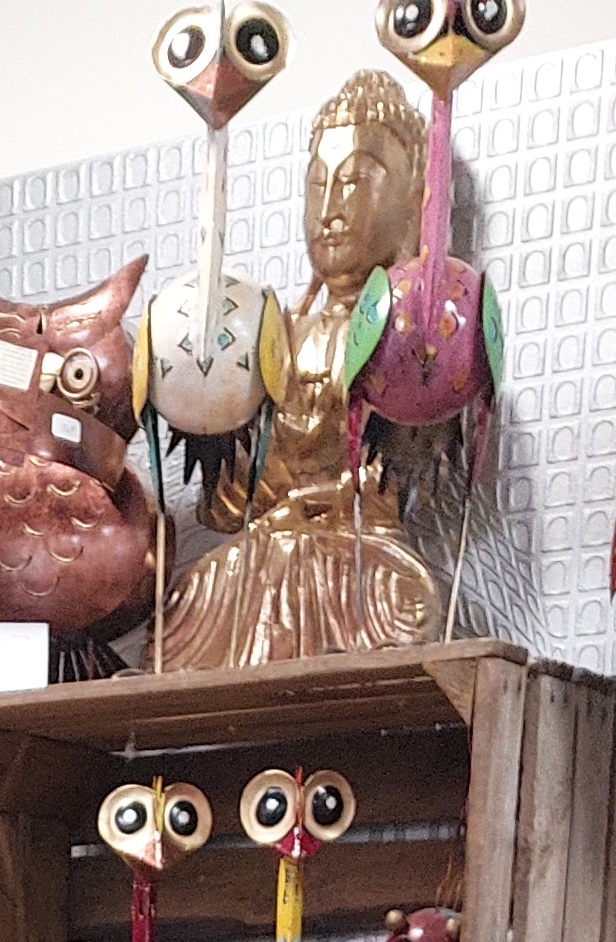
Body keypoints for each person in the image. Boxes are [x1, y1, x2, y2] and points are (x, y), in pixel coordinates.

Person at [154, 74, 436, 667]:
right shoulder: (273, 333)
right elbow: (230, 506)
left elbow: (392, 488)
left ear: (413, 198)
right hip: (264, 549)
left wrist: (315, 504)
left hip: (355, 557)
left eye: (355, 183)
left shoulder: (416, 335)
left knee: (385, 597)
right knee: (197, 590)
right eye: (317, 185)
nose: (330, 210)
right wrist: (209, 421)